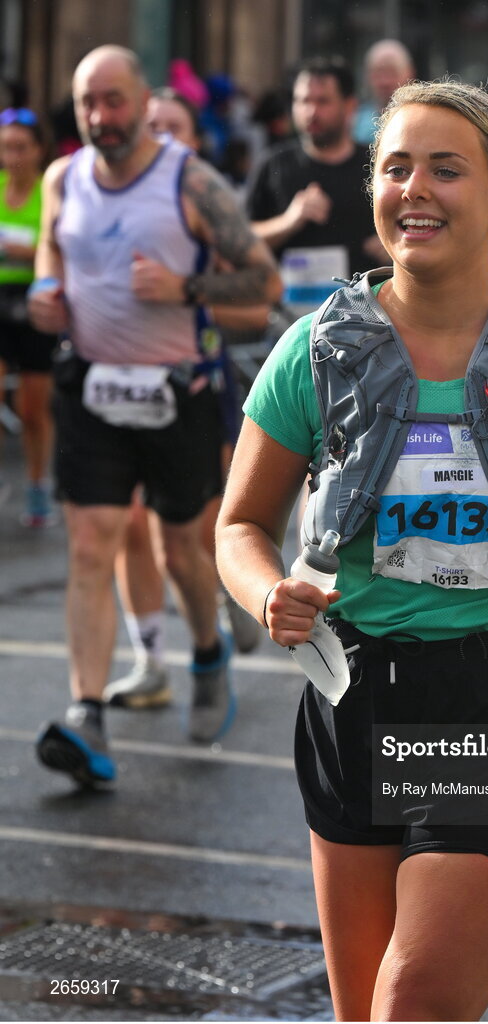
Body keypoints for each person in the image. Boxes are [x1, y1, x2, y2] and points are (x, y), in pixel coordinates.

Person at [217, 78, 488, 1021]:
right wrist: (266, 593)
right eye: (396, 167)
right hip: (354, 696)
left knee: (414, 1004)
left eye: (446, 169)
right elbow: (241, 526)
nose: (414, 188)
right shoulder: (315, 350)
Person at [28, 45, 280, 788]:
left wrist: (185, 287)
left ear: (143, 101)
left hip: (177, 393)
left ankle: (207, 650)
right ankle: (85, 713)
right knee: (92, 544)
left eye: (113, 101)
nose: (101, 117)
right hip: (93, 392)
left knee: (182, 550)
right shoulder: (62, 177)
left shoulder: (191, 182)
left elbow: (261, 290)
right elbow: (52, 245)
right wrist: (48, 288)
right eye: (87, 104)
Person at [103, 86, 268, 710]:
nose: (160, 138)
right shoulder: (104, 197)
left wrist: (183, 292)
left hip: (192, 388)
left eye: (173, 128)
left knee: (189, 534)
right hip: (112, 389)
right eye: (151, 127)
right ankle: (149, 661)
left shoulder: (204, 204)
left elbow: (254, 306)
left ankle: (225, 594)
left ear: (196, 143)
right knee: (123, 527)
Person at [246, 56, 388, 317]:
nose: (311, 111)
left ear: (350, 106)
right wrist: (289, 221)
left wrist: (392, 244)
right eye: (302, 101)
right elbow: (242, 239)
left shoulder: (377, 165)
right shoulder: (273, 164)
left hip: (368, 318)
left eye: (322, 101)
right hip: (289, 320)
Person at [0, 107, 57, 526]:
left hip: (34, 300)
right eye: (6, 147)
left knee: (33, 408)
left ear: (38, 150)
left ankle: (38, 486)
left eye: (21, 147)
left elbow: (52, 245)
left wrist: (24, 251)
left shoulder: (47, 192)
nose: (13, 156)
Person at [353, 39, 416, 145]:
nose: (385, 82)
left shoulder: (422, 120)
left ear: (410, 73)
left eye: (392, 73)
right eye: (378, 74)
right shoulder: (354, 124)